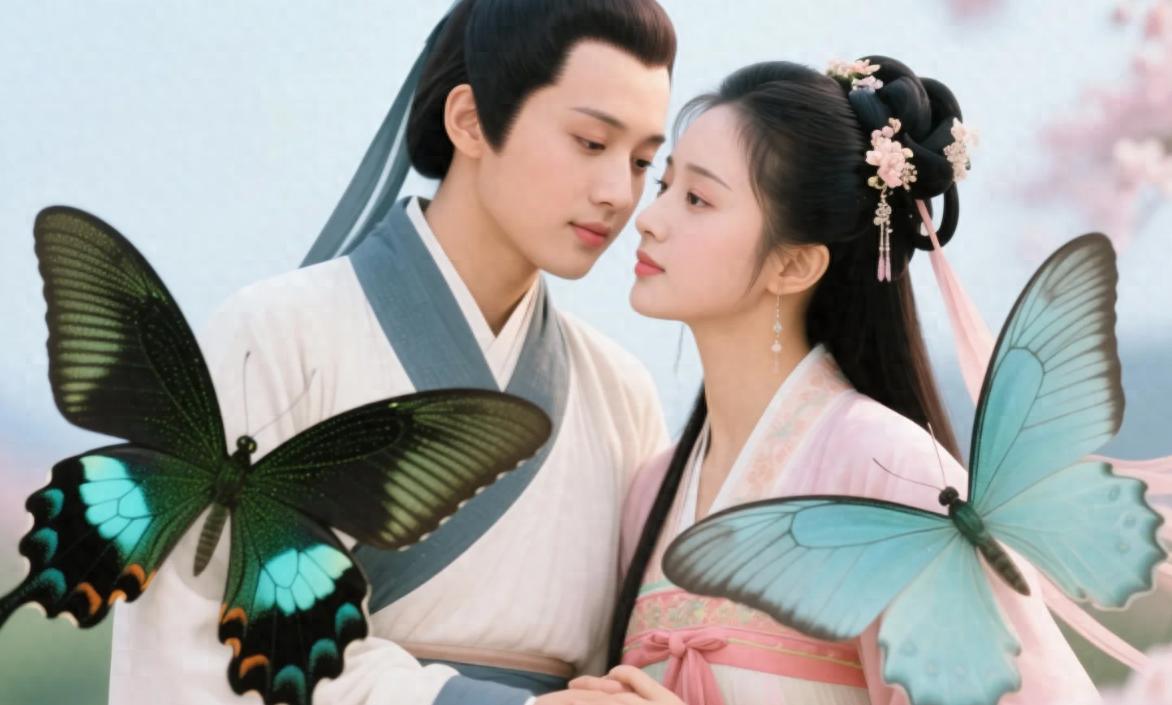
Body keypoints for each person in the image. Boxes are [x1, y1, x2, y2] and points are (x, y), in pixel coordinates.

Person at [107, 2, 676, 704]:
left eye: (642, 162)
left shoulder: (621, 394)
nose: (619, 193)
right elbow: (194, 644)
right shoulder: (274, 335)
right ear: (470, 120)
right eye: (591, 142)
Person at [570, 57, 1100, 705]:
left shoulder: (897, 473)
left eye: (698, 199)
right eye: (665, 185)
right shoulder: (651, 490)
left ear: (794, 265)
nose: (649, 218)